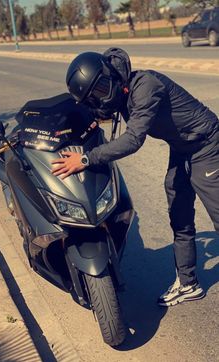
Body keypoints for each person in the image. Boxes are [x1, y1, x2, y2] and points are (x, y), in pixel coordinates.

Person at [51, 48, 219, 307]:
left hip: (207, 145)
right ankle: (188, 283)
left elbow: (133, 140)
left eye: (102, 89)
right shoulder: (118, 95)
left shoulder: (145, 86)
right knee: (180, 215)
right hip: (182, 149)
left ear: (112, 75)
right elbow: (89, 116)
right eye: (94, 95)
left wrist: (85, 159)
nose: (101, 98)